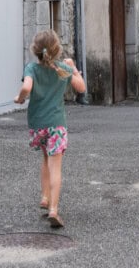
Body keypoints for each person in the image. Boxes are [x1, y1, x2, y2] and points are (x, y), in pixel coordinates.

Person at [14, 29, 86, 229]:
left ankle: (44, 196)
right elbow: (81, 88)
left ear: (36, 51)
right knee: (56, 166)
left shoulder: (31, 69)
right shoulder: (63, 68)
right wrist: (74, 68)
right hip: (57, 125)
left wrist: (19, 98)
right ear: (57, 50)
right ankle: (53, 209)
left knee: (46, 158)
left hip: (38, 126)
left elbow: (27, 88)